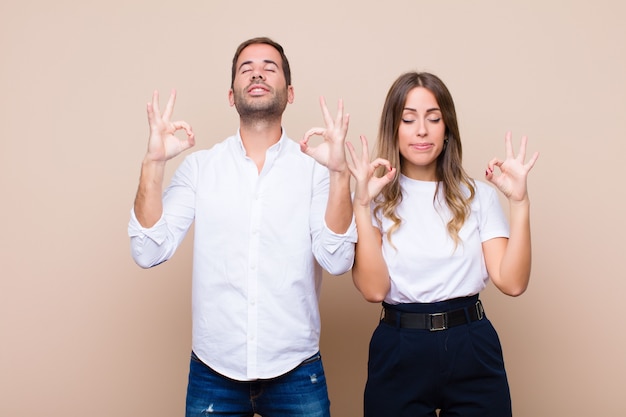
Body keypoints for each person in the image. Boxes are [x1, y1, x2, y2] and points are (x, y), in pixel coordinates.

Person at [127, 37, 356, 417]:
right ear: (232, 95)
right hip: (213, 370)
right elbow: (148, 250)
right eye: (246, 68)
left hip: (296, 368)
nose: (257, 73)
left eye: (270, 66)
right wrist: (153, 163)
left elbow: (337, 260)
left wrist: (340, 175)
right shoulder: (201, 169)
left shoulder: (317, 171)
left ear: (290, 92)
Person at [345, 71, 539, 417]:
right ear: (394, 128)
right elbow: (374, 290)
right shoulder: (372, 199)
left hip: (471, 343)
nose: (422, 130)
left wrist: (520, 203)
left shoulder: (478, 195)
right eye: (409, 119)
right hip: (399, 346)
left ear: (447, 128)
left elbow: (512, 282)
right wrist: (360, 206)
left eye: (433, 119)